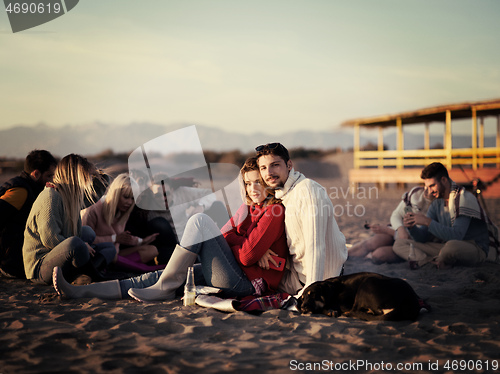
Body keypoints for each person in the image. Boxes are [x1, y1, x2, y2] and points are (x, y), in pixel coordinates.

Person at [53, 156, 289, 301]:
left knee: (200, 221)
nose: (252, 189)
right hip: (231, 270)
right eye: (248, 183)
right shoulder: (247, 209)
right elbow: (229, 238)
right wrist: (245, 246)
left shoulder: (273, 212)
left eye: (258, 182)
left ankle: (165, 288)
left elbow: (247, 256)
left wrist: (247, 250)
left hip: (243, 284)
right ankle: (79, 292)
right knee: (153, 277)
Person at [255, 143, 347, 295]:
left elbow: (315, 245)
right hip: (297, 275)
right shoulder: (284, 194)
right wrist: (261, 249)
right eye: (263, 168)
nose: (269, 173)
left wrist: (311, 292)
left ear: (289, 165)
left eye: (275, 165)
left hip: (316, 282)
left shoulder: (307, 189)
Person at [23, 154, 111, 284]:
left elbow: (97, 191)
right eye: (84, 177)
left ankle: (82, 273)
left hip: (61, 258)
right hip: (40, 267)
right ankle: (90, 274)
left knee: (104, 245)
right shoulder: (50, 196)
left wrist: (96, 172)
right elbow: (50, 239)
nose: (87, 182)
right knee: (76, 243)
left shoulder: (70, 197)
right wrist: (83, 246)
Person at [393, 162, 498, 269]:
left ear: (444, 180)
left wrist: (427, 222)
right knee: (400, 243)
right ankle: (427, 262)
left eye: (432, 186)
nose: (429, 191)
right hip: (446, 246)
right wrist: (412, 227)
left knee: (450, 248)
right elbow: (423, 238)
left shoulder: (463, 199)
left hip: (474, 248)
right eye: (427, 187)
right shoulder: (436, 203)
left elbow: (457, 235)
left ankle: (438, 260)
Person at [82, 173, 164, 272]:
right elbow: (85, 241)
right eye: (126, 197)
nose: (129, 202)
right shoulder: (93, 209)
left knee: (152, 250)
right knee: (110, 250)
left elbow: (122, 238)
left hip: (116, 253)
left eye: (133, 199)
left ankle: (119, 266)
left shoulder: (123, 211)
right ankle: (149, 270)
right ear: (116, 194)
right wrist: (114, 239)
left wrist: (142, 241)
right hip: (98, 253)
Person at [0, 150, 57, 278]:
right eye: (49, 175)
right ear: (36, 174)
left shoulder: (33, 189)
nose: (52, 180)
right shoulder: (21, 191)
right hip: (13, 263)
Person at [348, 186, 432, 264]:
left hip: (411, 245)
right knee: (374, 241)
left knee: (379, 255)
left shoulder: (432, 208)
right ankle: (344, 255)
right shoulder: (415, 194)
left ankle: (368, 255)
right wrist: (399, 228)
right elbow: (396, 215)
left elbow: (416, 238)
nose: (428, 190)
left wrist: (387, 230)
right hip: (399, 234)